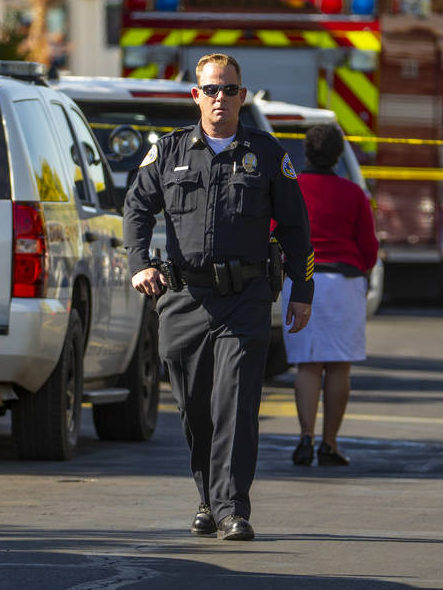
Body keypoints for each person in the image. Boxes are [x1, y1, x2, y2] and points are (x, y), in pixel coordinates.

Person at [123, 53, 314, 541]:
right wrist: (140, 262)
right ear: (196, 95)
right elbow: (136, 210)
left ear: (242, 96)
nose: (220, 98)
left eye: (229, 90)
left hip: (245, 299)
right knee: (195, 409)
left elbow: (296, 228)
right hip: (184, 298)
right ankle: (207, 497)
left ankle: (233, 508)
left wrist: (302, 290)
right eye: (211, 89)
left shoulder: (267, 154)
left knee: (236, 401)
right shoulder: (167, 153)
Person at [284, 124, 378, 467]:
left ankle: (305, 438)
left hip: (301, 282)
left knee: (307, 365)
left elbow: (276, 233)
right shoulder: (353, 193)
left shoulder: (292, 189)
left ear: (306, 153)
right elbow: (369, 248)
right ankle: (330, 443)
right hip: (343, 280)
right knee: (339, 366)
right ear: (339, 156)